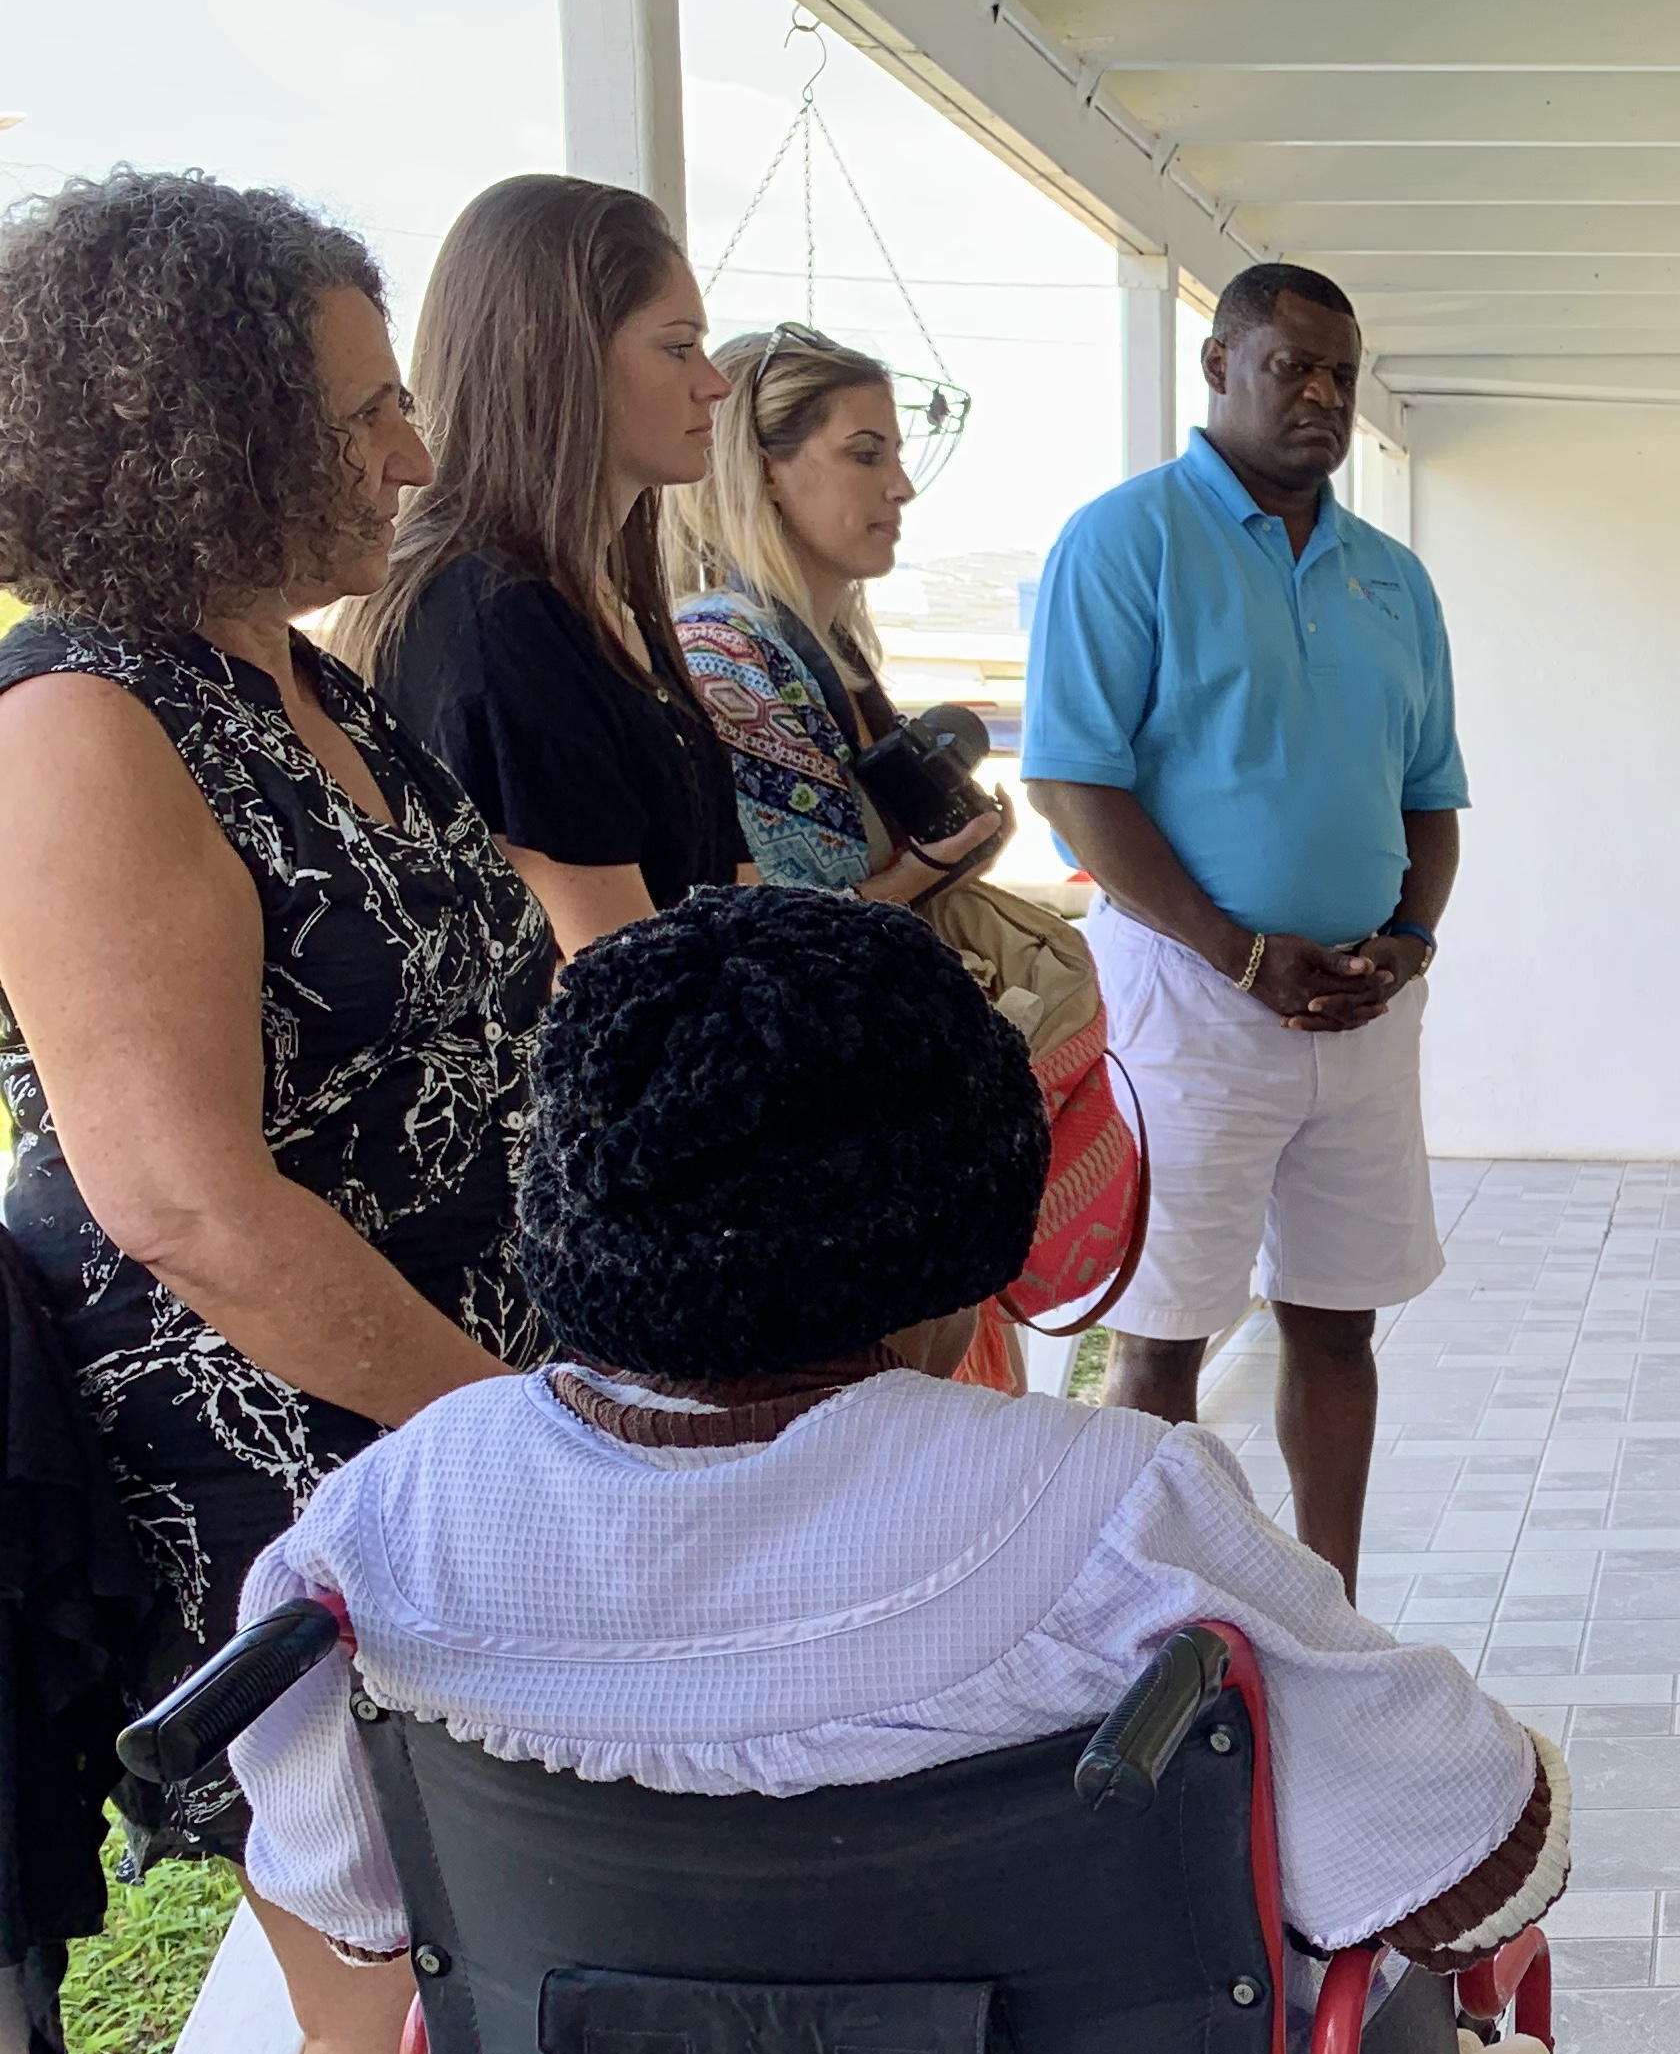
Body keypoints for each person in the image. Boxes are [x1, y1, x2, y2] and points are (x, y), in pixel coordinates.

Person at [222, 887, 1563, 2054]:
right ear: (976, 1210)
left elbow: (345, 1894)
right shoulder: (1109, 1516)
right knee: (1437, 2011)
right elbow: (1471, 1853)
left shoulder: (385, 1534)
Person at [0, 170, 550, 2054]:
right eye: (358, 419)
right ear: (189, 425)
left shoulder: (318, 685)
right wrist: (525, 1428)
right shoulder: (81, 723)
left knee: (514, 1980)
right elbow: (186, 1203)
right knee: (387, 2012)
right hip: (291, 1469)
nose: (411, 458)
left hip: (469, 1426)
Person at [1024, 264, 1460, 1598]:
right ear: (1219, 367)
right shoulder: (1126, 539)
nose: (1322, 394)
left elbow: (1429, 797)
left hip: (1360, 1007)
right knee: (1164, 1335)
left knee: (1340, 1323)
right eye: (1293, 366)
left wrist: (1408, 941)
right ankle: (1159, 1621)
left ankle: (1327, 1609)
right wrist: (1237, 952)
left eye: (1342, 370)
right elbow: (1071, 781)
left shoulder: (1390, 578)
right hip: (1190, 1002)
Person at [338, 174, 750, 956]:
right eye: (676, 346)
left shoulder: (606, 605)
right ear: (544, 351)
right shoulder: (497, 616)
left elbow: (734, 900)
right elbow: (614, 977)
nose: (714, 382)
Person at [668, 323, 1005, 900]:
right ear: (766, 468)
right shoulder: (723, 658)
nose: (902, 487)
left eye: (896, 456)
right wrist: (922, 870)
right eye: (865, 455)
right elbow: (771, 934)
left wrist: (953, 858)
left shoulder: (830, 649)